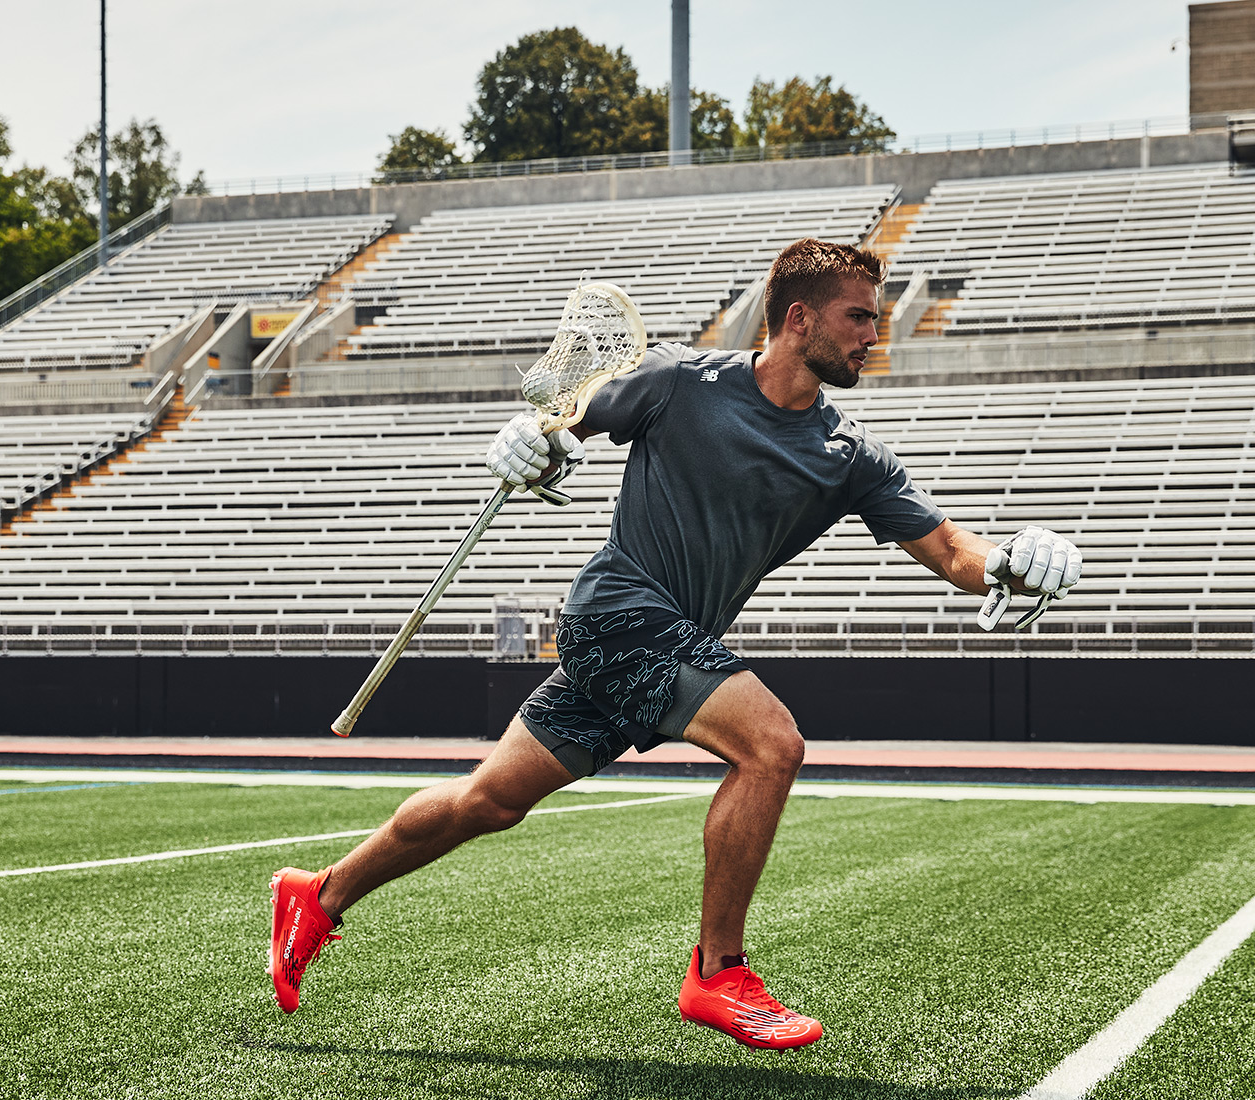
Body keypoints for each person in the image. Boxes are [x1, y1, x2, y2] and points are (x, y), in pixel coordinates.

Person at [269, 238, 1081, 1049]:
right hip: (618, 613)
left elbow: (948, 551)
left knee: (489, 801)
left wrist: (1009, 562)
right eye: (859, 317)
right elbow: (568, 423)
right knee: (773, 746)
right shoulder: (679, 381)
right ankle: (718, 973)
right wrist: (530, 438)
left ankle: (321, 893)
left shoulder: (850, 457)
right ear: (799, 320)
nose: (875, 334)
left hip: (657, 645)